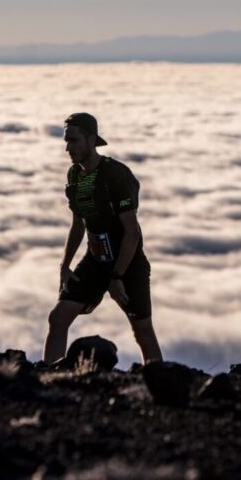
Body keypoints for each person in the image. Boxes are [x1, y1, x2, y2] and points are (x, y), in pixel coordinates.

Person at [44, 112, 164, 365]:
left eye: (74, 141)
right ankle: (51, 376)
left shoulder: (116, 175)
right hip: (96, 259)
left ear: (91, 139)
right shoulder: (74, 176)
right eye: (66, 141)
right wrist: (65, 265)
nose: (68, 147)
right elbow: (78, 224)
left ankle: (160, 379)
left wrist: (118, 276)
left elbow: (132, 231)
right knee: (58, 318)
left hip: (128, 263)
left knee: (142, 330)